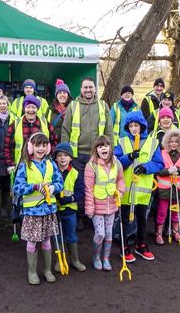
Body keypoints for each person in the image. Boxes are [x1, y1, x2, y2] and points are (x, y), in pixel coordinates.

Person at [61, 76, 113, 231]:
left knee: (96, 187)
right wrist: (65, 153)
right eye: (85, 87)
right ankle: (79, 217)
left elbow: (109, 131)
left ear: (95, 88)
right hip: (76, 155)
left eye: (91, 87)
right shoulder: (73, 106)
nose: (88, 90)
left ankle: (94, 216)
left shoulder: (103, 106)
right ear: (81, 89)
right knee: (79, 186)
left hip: (97, 156)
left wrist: (109, 153)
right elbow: (65, 130)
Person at [12, 132, 64, 285]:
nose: (40, 149)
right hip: (32, 212)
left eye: (43, 145)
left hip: (48, 210)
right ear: (30, 147)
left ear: (47, 147)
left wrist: (54, 187)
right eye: (37, 145)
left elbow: (59, 182)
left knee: (48, 239)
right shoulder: (24, 165)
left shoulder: (51, 164)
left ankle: (47, 270)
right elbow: (17, 187)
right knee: (33, 241)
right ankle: (32, 271)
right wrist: (34, 187)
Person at [115, 111, 164, 262]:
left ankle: (141, 245)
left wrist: (145, 168)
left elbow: (159, 163)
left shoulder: (152, 142)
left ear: (142, 126)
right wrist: (129, 157)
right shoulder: (122, 142)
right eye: (131, 126)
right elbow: (115, 164)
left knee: (142, 219)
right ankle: (124, 247)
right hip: (126, 191)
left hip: (143, 191)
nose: (134, 128)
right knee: (124, 220)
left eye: (136, 125)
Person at [85, 135, 125, 271]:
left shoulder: (117, 163)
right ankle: (96, 256)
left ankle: (106, 258)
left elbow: (120, 180)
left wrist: (120, 191)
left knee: (109, 234)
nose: (103, 148)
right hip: (97, 207)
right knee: (100, 233)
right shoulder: (91, 166)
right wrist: (89, 208)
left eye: (106, 146)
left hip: (112, 205)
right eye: (100, 146)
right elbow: (88, 188)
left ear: (110, 148)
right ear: (96, 149)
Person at [153, 129, 180, 245]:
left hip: (177, 190)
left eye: (176, 142)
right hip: (164, 190)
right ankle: (159, 233)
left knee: (175, 211)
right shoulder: (161, 153)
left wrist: (179, 171)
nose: (174, 144)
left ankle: (175, 231)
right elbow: (158, 170)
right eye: (171, 142)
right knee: (162, 212)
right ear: (167, 143)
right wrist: (168, 171)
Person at [52, 142, 86, 272]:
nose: (62, 158)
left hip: (70, 210)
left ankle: (75, 260)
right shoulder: (52, 173)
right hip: (55, 211)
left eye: (65, 155)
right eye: (59, 155)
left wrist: (69, 199)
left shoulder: (75, 173)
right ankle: (60, 261)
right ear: (55, 158)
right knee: (58, 236)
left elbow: (80, 192)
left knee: (71, 235)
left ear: (70, 158)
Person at [5, 95, 58, 172]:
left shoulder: (45, 124)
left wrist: (50, 158)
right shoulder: (15, 124)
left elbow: (54, 142)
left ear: (37, 109)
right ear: (24, 109)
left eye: (33, 107)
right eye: (28, 107)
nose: (31, 110)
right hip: (21, 166)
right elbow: (7, 147)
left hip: (42, 166)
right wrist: (10, 164)